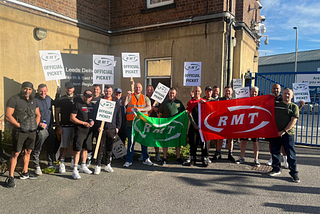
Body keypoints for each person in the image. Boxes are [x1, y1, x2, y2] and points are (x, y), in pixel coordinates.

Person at [5, 81, 41, 188]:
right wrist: (19, 125)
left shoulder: (34, 100)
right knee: (16, 153)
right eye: (25, 89)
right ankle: (11, 177)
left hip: (32, 131)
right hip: (19, 131)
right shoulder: (14, 99)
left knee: (28, 151)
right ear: (22, 89)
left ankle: (25, 172)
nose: (27, 91)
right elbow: (8, 116)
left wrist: (35, 125)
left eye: (29, 89)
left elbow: (38, 114)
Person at [267, 83, 305, 167]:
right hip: (273, 127)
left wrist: (300, 107)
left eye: (277, 88)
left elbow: (291, 111)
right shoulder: (269, 98)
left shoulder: (283, 98)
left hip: (286, 129)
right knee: (272, 145)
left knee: (285, 147)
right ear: (271, 89)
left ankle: (285, 159)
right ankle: (273, 159)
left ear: (280, 90)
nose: (275, 90)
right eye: (274, 88)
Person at [268, 88, 300, 183]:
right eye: (285, 94)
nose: (287, 96)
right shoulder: (276, 104)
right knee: (275, 152)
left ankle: (294, 173)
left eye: (289, 94)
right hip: (275, 133)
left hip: (288, 134)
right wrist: (270, 97)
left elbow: (293, 120)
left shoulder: (294, 107)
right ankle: (276, 169)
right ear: (282, 95)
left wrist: (284, 131)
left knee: (290, 154)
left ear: (292, 96)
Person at [123, 82, 153, 167]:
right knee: (131, 142)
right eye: (136, 87)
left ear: (142, 88)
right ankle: (129, 160)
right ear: (134, 88)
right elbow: (124, 104)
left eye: (139, 87)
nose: (138, 89)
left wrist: (139, 109)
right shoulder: (130, 97)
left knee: (144, 141)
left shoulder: (145, 97)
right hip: (131, 123)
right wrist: (126, 96)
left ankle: (146, 158)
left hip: (142, 124)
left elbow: (149, 107)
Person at [94, 86, 122, 174]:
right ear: (104, 92)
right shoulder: (100, 101)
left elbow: (119, 115)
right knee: (100, 147)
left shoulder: (116, 102)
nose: (108, 92)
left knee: (109, 147)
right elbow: (96, 115)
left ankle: (107, 164)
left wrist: (117, 127)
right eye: (106, 91)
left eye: (109, 91)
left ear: (112, 92)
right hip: (102, 128)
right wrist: (98, 126)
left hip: (112, 128)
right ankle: (98, 165)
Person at [55, 82, 81, 173]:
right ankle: (62, 163)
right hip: (64, 126)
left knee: (73, 145)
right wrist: (58, 126)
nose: (69, 89)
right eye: (67, 88)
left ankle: (73, 161)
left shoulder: (78, 99)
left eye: (71, 88)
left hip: (75, 126)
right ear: (65, 89)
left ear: (73, 89)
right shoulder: (61, 99)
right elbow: (57, 113)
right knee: (64, 146)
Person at [70, 89, 95, 179]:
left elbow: (93, 117)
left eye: (89, 97)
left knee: (86, 149)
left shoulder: (92, 105)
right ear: (83, 96)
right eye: (86, 96)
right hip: (80, 130)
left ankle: (83, 166)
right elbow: (72, 118)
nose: (87, 98)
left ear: (91, 97)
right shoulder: (78, 104)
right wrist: (83, 123)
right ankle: (75, 169)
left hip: (89, 131)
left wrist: (92, 122)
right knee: (78, 150)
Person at [158, 87, 185, 165]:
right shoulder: (164, 102)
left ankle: (178, 157)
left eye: (173, 93)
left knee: (177, 141)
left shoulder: (179, 103)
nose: (171, 94)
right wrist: (160, 124)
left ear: (176, 94)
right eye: (170, 93)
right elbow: (160, 114)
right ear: (168, 93)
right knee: (165, 141)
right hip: (166, 125)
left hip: (176, 125)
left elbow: (183, 113)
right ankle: (165, 158)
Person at [33, 84, 56, 175]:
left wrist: (58, 95)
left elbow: (56, 104)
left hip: (50, 127)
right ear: (38, 91)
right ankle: (36, 165)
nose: (43, 93)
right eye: (41, 91)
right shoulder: (34, 100)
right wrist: (39, 124)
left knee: (50, 147)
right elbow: (31, 115)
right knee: (38, 148)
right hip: (40, 129)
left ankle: (50, 164)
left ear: (47, 90)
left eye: (45, 91)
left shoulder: (49, 98)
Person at [235, 86, 261, 167]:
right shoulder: (245, 100)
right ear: (250, 92)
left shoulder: (261, 101)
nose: (254, 93)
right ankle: (241, 157)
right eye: (252, 91)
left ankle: (256, 159)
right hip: (246, 124)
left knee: (255, 142)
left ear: (258, 93)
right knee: (243, 141)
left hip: (255, 124)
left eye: (255, 92)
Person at [184, 86, 208, 166]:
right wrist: (194, 125)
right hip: (194, 126)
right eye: (195, 91)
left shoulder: (204, 101)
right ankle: (192, 158)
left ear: (201, 92)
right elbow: (189, 114)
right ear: (193, 92)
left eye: (198, 91)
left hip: (203, 127)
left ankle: (204, 158)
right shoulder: (190, 102)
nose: (197, 92)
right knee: (193, 143)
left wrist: (205, 104)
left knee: (203, 143)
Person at [214, 86, 235, 162]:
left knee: (230, 138)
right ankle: (218, 152)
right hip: (222, 121)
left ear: (232, 92)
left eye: (229, 91)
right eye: (226, 91)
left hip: (231, 121)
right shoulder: (220, 100)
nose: (228, 92)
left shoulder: (234, 100)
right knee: (220, 137)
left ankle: (230, 153)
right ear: (224, 92)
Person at [145, 85, 161, 162]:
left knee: (155, 139)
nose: (149, 91)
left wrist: (155, 109)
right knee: (145, 138)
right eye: (148, 90)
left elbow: (160, 109)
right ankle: (145, 154)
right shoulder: (144, 98)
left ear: (153, 90)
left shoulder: (157, 99)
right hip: (146, 121)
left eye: (150, 90)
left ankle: (157, 154)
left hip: (155, 121)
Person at [202, 86, 215, 163]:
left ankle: (207, 155)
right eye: (207, 91)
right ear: (205, 92)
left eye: (210, 91)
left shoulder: (215, 100)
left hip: (211, 123)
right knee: (203, 140)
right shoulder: (202, 100)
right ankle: (203, 155)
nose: (209, 93)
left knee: (208, 141)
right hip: (203, 123)